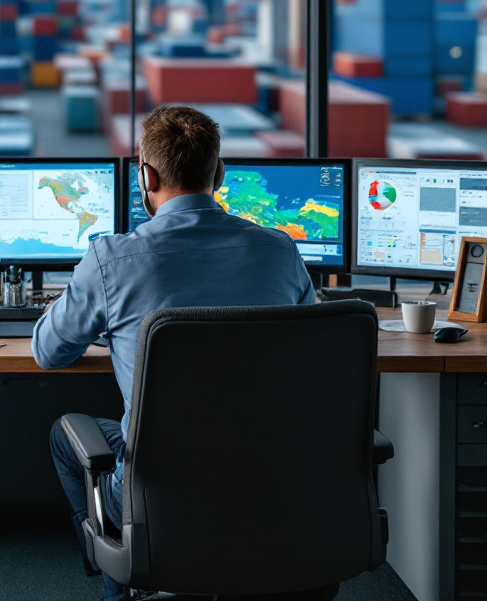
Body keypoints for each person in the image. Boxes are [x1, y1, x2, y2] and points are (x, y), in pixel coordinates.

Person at [33, 105, 315, 601]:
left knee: (66, 435)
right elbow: (311, 348)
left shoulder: (110, 259)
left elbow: (48, 353)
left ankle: (123, 571)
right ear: (219, 174)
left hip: (158, 491)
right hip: (267, 481)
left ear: (146, 175)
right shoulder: (280, 251)